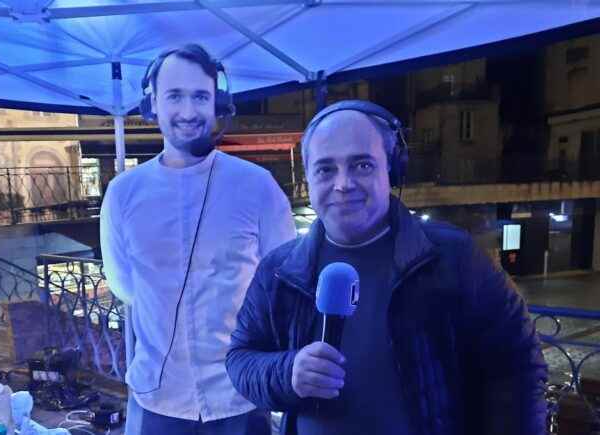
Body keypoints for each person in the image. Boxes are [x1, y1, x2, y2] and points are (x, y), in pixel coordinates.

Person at [225, 100, 548, 435]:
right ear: (307, 178)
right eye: (325, 169)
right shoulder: (278, 270)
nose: (343, 184)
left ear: (391, 170)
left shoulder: (453, 256)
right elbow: (240, 359)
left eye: (361, 165)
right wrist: (287, 371)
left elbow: (518, 366)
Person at [99, 43, 296, 435]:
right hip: (157, 398)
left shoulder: (257, 187)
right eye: (175, 96)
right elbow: (124, 285)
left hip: (239, 395)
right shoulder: (123, 193)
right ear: (152, 102)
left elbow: (284, 287)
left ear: (217, 103)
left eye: (200, 97)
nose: (188, 112)